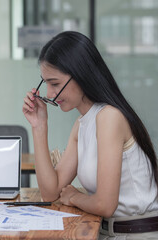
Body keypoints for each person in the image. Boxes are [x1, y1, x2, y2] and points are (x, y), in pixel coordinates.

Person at [22, 31, 158, 239]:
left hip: (136, 234)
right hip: (106, 232)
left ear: (82, 75)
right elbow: (51, 192)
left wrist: (75, 197)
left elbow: (105, 205)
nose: (49, 94)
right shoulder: (83, 123)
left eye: (55, 84)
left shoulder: (109, 118)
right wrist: (39, 127)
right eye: (46, 83)